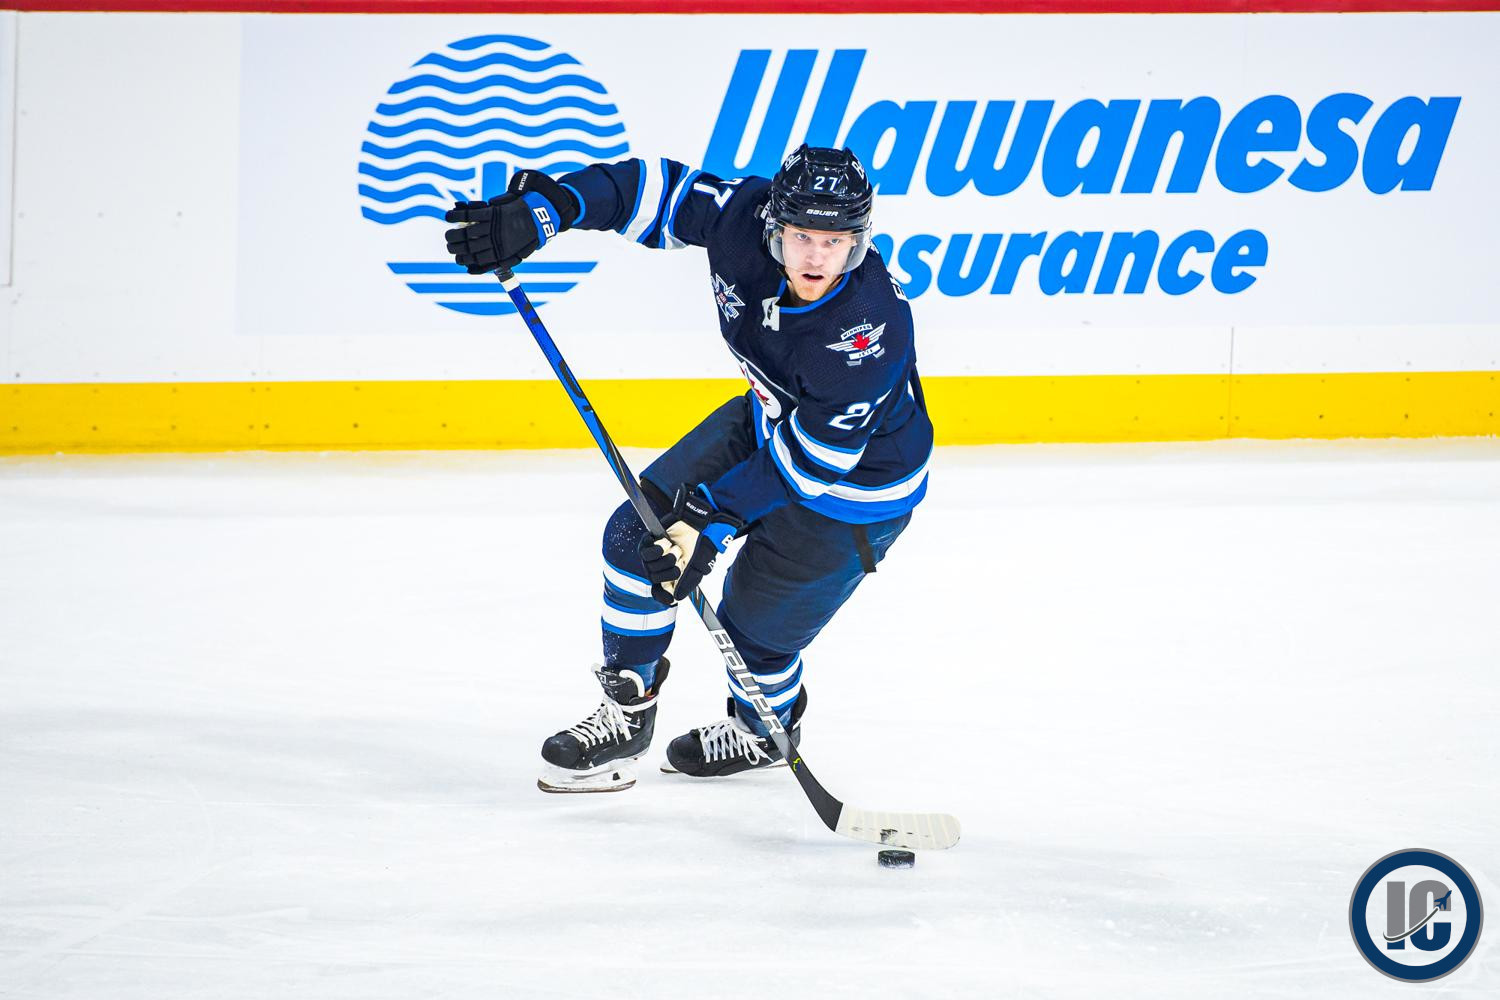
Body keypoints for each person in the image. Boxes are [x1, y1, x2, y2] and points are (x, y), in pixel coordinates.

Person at [444, 145, 933, 792]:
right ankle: (628, 711)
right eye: (802, 237)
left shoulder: (868, 331)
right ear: (774, 226)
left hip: (856, 489)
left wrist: (710, 520)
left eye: (835, 242)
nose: (816, 258)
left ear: (858, 242)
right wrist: (552, 208)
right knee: (636, 537)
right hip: (765, 419)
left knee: (753, 636)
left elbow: (815, 462)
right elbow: (650, 189)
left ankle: (763, 731)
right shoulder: (741, 217)